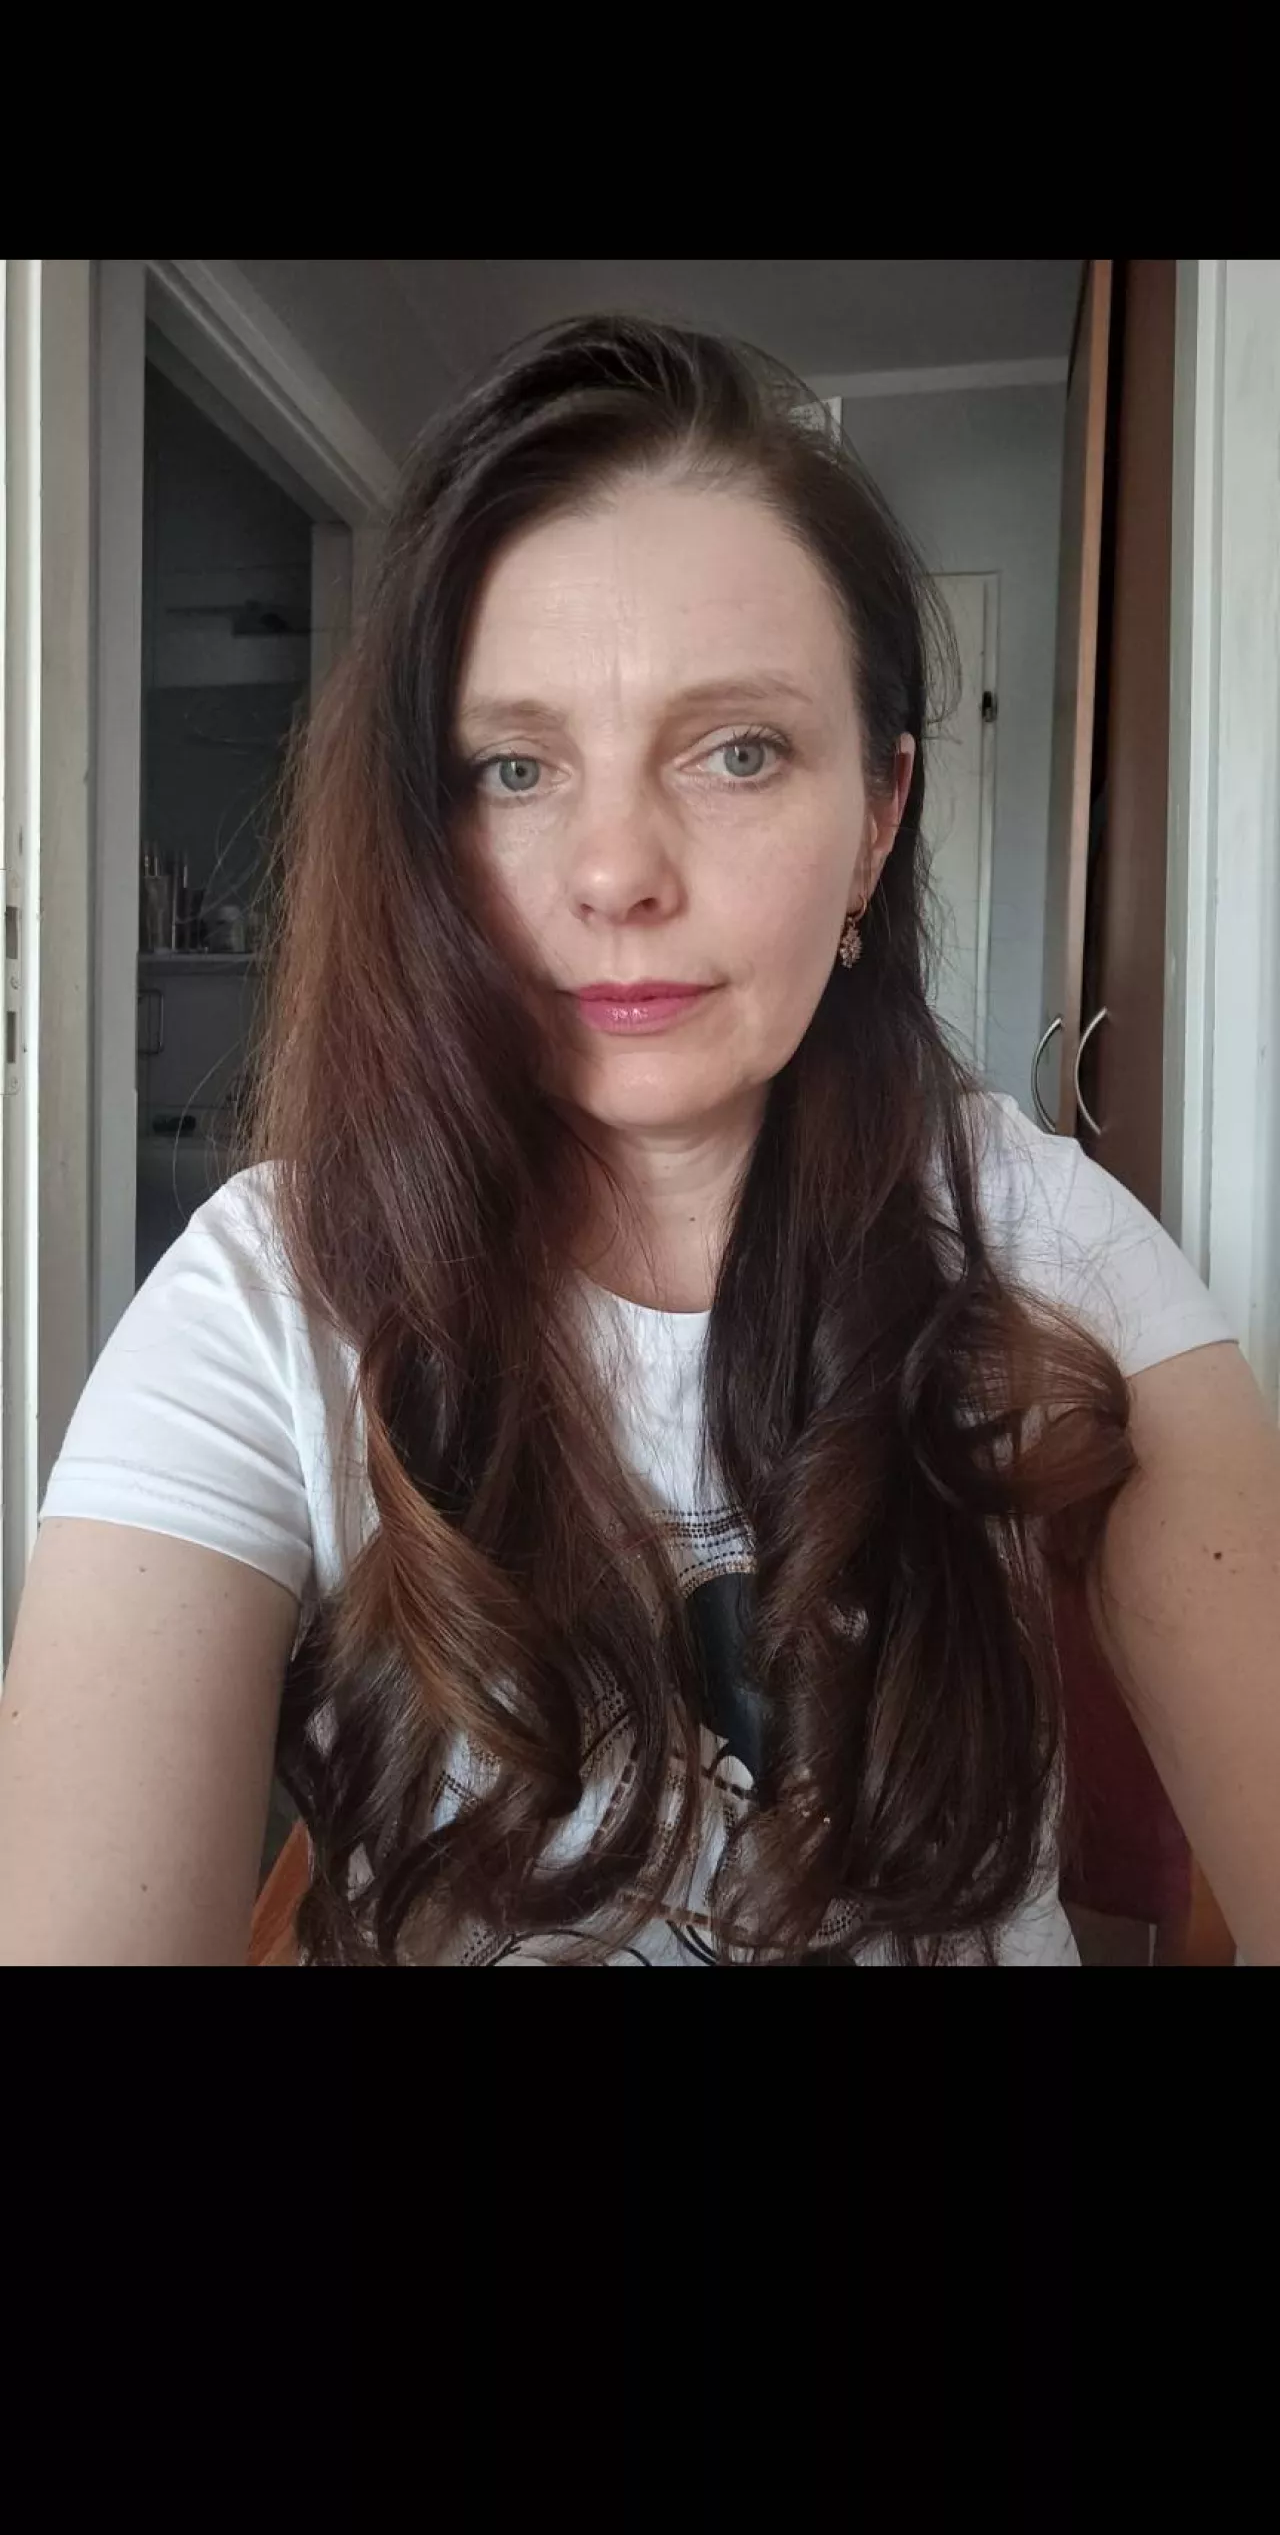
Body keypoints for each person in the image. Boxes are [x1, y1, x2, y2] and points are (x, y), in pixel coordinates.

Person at [2, 312, 1278, 1966]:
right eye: (513, 767)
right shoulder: (262, 1298)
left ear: (878, 817)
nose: (616, 872)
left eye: (738, 751)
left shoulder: (1043, 1235)